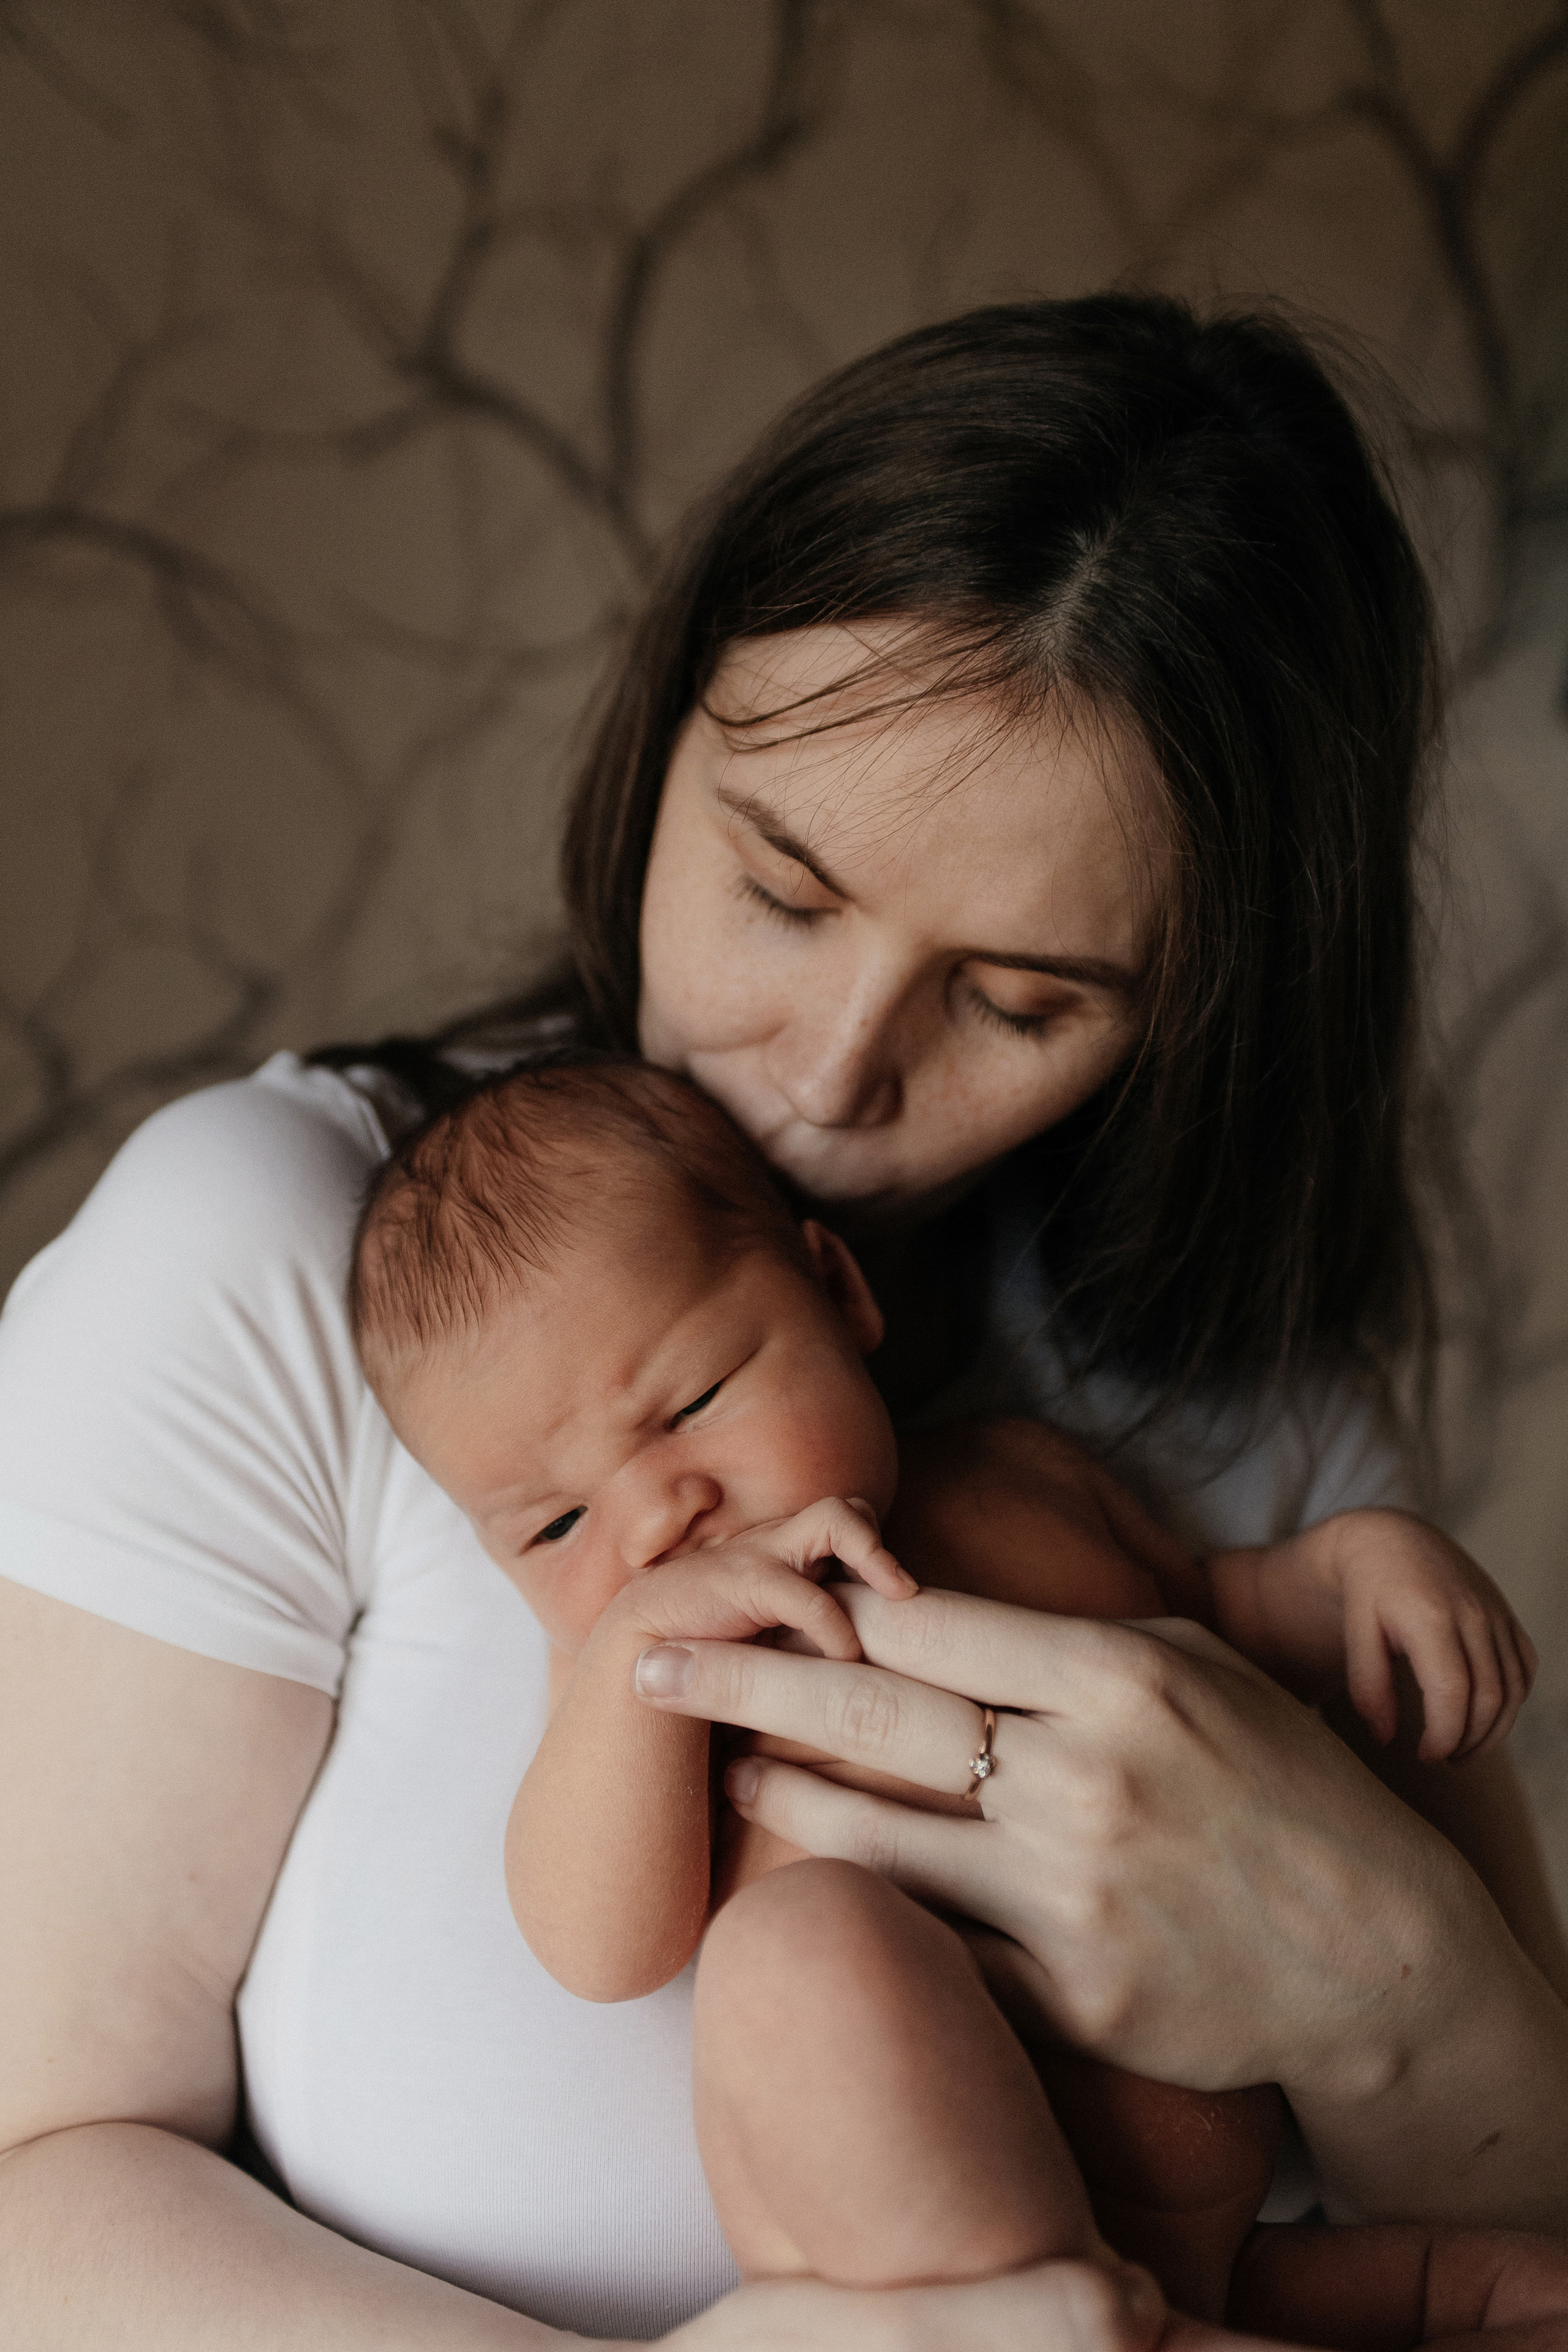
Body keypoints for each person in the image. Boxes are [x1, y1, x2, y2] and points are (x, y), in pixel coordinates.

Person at [3, 294, 1567, 2351]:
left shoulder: (1241, 1406)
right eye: (783, 891)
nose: (830, 1073)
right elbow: (33, 2193)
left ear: (1198, 1004)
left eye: (1019, 1000)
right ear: (667, 734)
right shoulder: (311, 1266)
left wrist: (1390, 1985)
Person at [347, 1054, 1536, 2322]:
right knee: (793, 1948)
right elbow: (601, 1949)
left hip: (1217, 2246)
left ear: (837, 1290)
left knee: (1526, 2289)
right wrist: (637, 1666)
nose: (652, 1519)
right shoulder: (648, 1678)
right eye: (554, 1526)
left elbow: (1217, 1616)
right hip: (937, 2277)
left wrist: (1354, 1568)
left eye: (691, 1403)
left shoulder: (1022, 1476)